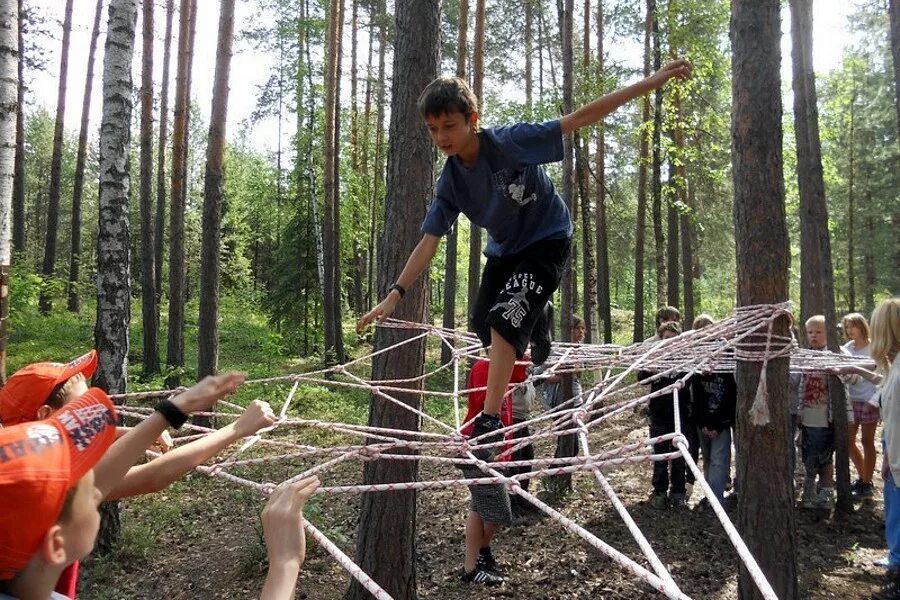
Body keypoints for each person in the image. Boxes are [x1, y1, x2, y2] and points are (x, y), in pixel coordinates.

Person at [357, 60, 692, 457]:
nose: (441, 137)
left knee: (504, 318)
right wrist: (394, 294)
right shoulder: (450, 182)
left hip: (547, 239)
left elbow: (581, 117)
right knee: (484, 320)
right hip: (506, 251)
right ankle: (539, 317)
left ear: (472, 120)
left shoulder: (509, 143)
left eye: (449, 126)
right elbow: (429, 241)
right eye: (433, 129)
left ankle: (491, 420)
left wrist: (652, 81)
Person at [0, 352, 278, 597]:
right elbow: (152, 476)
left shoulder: (15, 471)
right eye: (77, 411)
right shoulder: (43, 487)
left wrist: (144, 426)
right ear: (44, 414)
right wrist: (236, 430)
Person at [457, 357, 520, 585]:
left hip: (490, 451)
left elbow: (522, 373)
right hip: (478, 450)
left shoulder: (503, 367)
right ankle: (479, 557)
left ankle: (472, 567)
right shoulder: (486, 368)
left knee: (478, 509)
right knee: (498, 513)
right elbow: (487, 407)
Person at [639, 321, 689, 509]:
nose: (670, 341)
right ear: (661, 339)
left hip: (680, 414)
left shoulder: (685, 359)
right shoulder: (655, 356)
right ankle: (659, 491)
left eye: (673, 338)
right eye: (666, 338)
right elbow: (641, 380)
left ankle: (678, 492)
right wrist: (649, 371)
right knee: (659, 453)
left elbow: (691, 381)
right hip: (659, 413)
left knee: (678, 455)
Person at [689, 315, 736, 505]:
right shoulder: (695, 359)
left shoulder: (728, 355)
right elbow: (696, 395)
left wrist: (718, 423)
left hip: (721, 421)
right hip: (702, 419)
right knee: (708, 459)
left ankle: (716, 498)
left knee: (719, 459)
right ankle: (710, 495)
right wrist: (703, 422)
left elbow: (731, 394)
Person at [797, 315, 836, 510]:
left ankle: (824, 494)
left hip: (826, 418)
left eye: (819, 332)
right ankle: (813, 494)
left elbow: (853, 378)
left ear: (828, 333)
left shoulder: (836, 354)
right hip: (807, 417)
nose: (814, 336)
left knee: (823, 458)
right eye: (810, 332)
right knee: (809, 457)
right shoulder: (804, 356)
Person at [839, 312, 879, 498]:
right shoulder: (846, 348)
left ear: (861, 326)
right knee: (848, 441)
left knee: (867, 441)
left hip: (869, 399)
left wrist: (875, 400)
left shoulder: (875, 348)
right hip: (851, 400)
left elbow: (881, 374)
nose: (849, 330)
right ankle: (864, 477)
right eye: (846, 327)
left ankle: (866, 481)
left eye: (852, 326)